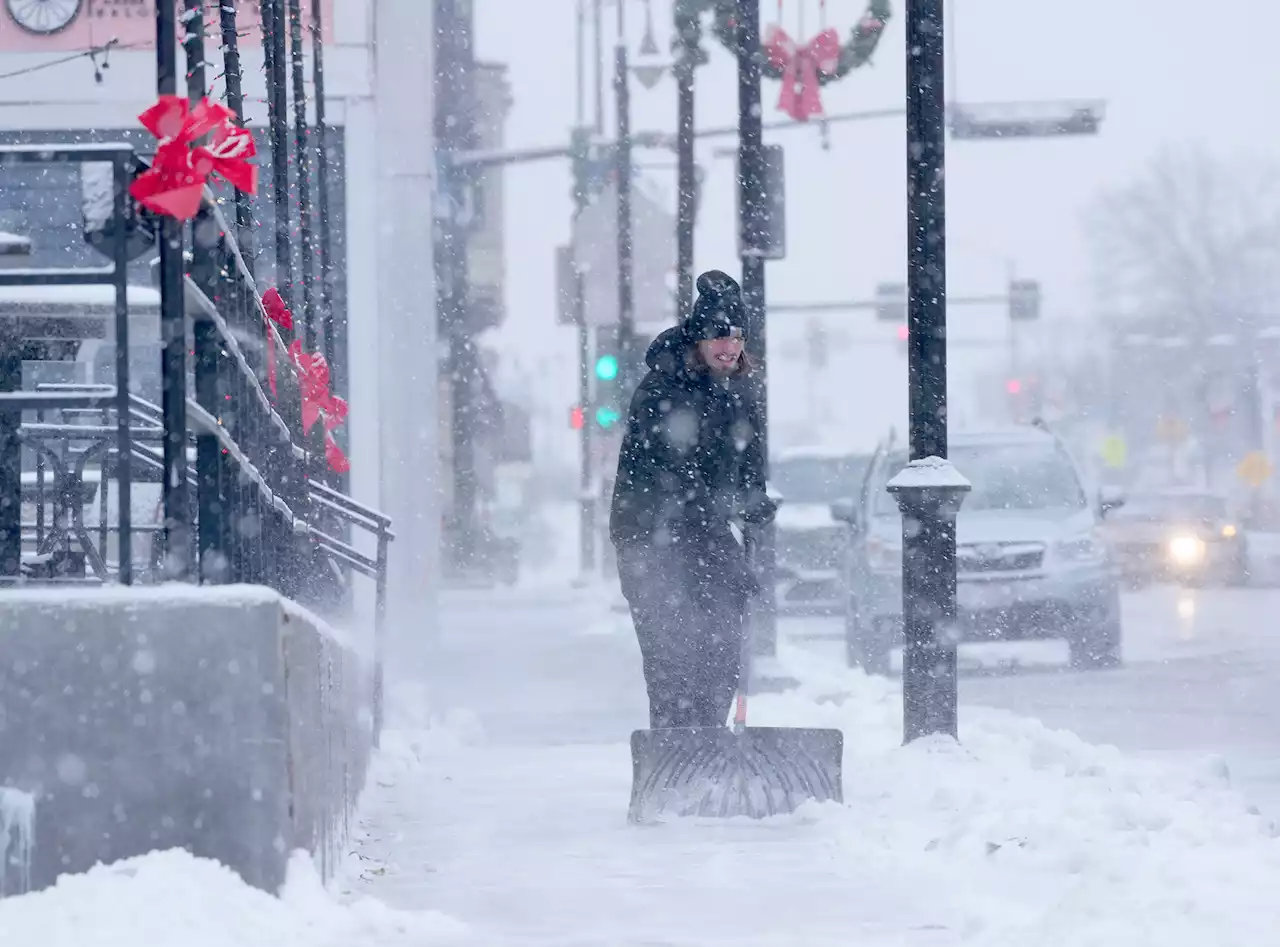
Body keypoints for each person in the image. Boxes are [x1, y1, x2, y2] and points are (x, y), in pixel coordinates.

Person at [609, 270, 777, 729]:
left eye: (738, 336)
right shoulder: (661, 390)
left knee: (722, 648)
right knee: (674, 658)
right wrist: (726, 504)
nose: (729, 346)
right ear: (698, 338)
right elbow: (671, 472)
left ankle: (708, 751)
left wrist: (753, 498)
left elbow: (749, 462)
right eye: (719, 336)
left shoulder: (740, 392)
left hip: (708, 532)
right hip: (649, 534)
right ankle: (674, 761)